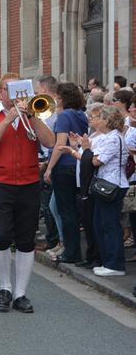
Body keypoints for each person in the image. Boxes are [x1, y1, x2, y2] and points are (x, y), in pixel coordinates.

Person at [0, 73, 55, 313]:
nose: (14, 95)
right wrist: (9, 118)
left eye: (19, 89)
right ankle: (5, 286)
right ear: (0, 92)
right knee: (0, 236)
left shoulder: (34, 114)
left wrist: (33, 116)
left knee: (25, 239)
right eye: (8, 90)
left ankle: (21, 293)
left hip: (29, 182)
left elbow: (49, 142)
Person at [61, 105, 129, 276]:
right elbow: (89, 158)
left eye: (100, 118)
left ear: (107, 120)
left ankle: (115, 264)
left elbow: (96, 161)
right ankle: (107, 261)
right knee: (100, 223)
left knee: (110, 225)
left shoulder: (114, 139)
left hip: (112, 185)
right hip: (104, 184)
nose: (96, 121)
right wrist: (79, 149)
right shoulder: (107, 137)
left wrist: (87, 149)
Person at [42, 83, 88, 264]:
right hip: (76, 164)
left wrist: (49, 167)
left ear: (62, 98)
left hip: (64, 166)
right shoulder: (81, 114)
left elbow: (60, 145)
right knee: (65, 209)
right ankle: (69, 248)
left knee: (65, 211)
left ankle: (71, 251)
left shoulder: (64, 116)